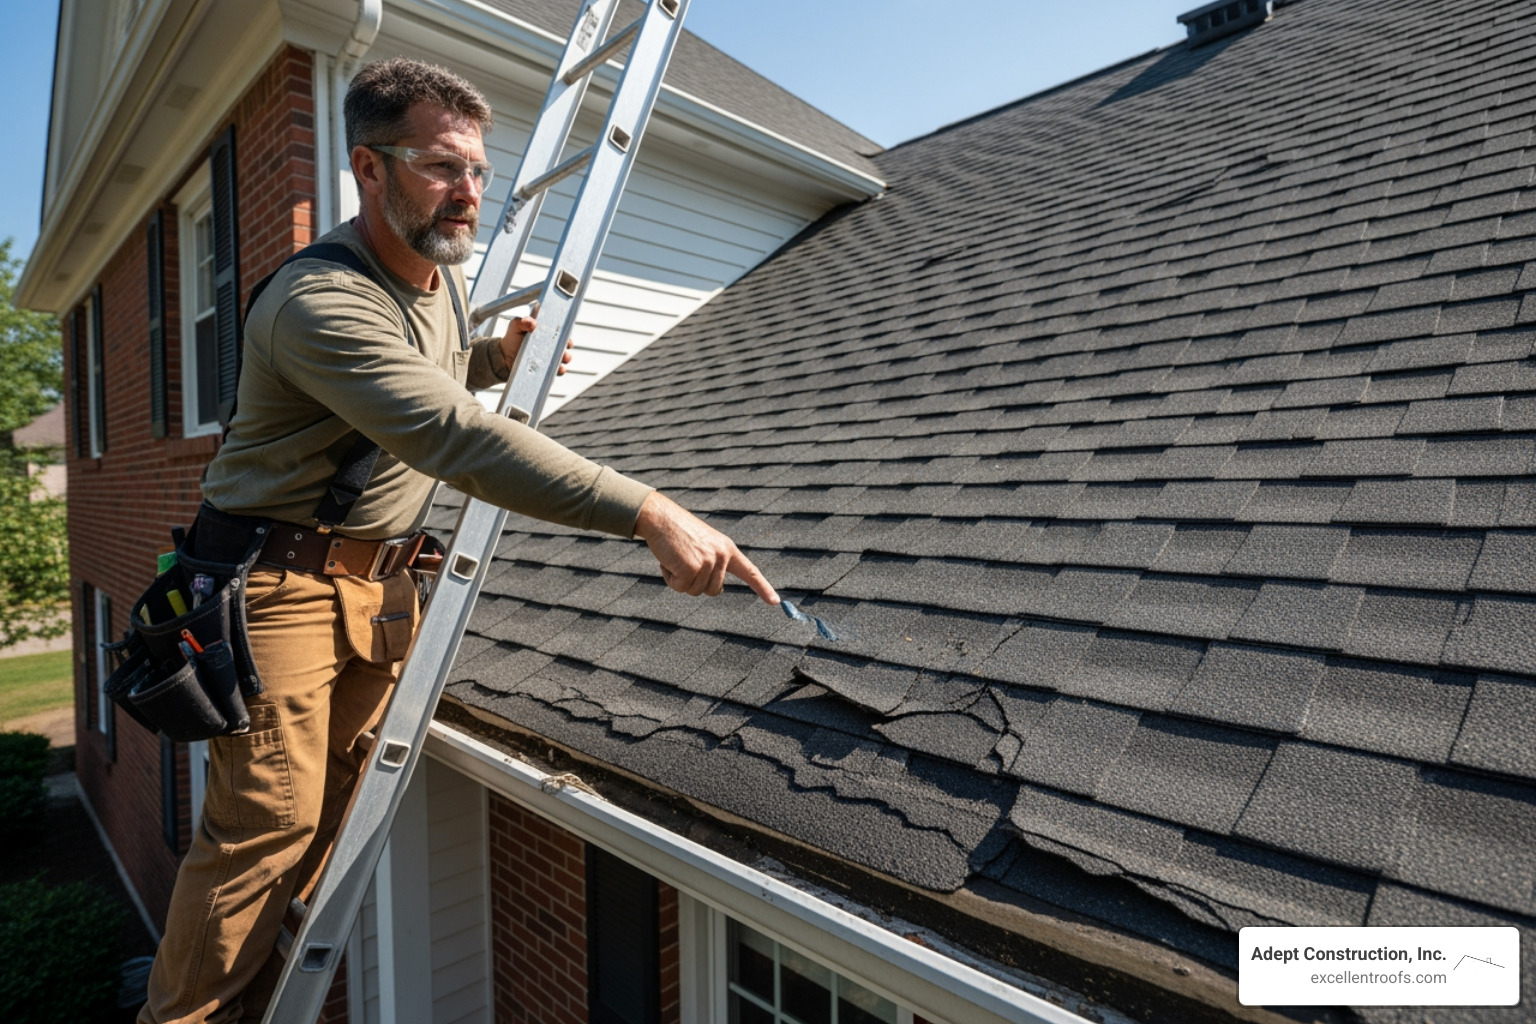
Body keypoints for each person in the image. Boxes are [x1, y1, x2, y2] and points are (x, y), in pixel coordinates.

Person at [138, 57, 776, 1024]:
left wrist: (492, 355)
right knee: (264, 829)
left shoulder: (434, 275)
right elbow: (451, 435)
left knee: (338, 815)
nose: (469, 192)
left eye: (478, 169)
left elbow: (434, 373)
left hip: (383, 588)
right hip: (280, 586)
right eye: (442, 167)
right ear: (370, 165)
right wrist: (650, 511)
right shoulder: (320, 302)